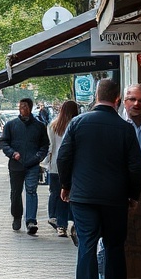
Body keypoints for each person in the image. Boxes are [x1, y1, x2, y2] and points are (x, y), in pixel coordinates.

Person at [57, 79, 141, 279]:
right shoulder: (125, 128)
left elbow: (63, 157)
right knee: (115, 247)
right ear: (117, 99)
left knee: (87, 245)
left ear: (96, 96)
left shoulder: (77, 123)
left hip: (83, 197)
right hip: (115, 198)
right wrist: (133, 195)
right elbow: (135, 166)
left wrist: (66, 186)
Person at [0, 98, 50, 234]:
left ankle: (31, 221)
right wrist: (12, 153)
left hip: (32, 164)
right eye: (20, 106)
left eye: (25, 106)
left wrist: (38, 157)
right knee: (15, 192)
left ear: (30, 108)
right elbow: (4, 142)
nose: (22, 109)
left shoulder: (39, 126)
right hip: (16, 164)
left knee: (31, 190)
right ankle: (17, 216)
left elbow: (45, 145)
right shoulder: (11, 125)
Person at [48, 100, 81, 241]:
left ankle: (61, 226)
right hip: (74, 166)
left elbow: (50, 147)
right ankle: (75, 223)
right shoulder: (78, 124)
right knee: (74, 196)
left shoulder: (54, 125)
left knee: (60, 196)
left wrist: (46, 165)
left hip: (56, 166)